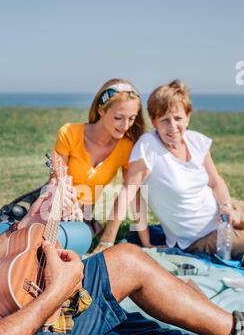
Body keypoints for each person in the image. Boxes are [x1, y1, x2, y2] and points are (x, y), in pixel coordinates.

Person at [0, 58, 244, 335]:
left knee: (127, 260)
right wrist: (54, 294)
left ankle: (236, 331)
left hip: (13, 315)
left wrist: (26, 228)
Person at [97, 80, 244, 258]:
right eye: (165, 120)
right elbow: (129, 193)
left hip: (225, 209)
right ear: (154, 121)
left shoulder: (196, 141)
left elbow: (215, 182)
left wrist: (227, 206)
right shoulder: (148, 146)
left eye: (178, 118)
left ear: (188, 117)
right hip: (200, 237)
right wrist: (107, 242)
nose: (173, 126)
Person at [53, 78, 145, 242]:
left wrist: (146, 241)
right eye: (118, 117)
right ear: (101, 110)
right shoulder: (69, 133)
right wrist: (67, 207)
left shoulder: (127, 148)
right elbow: (56, 181)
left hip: (85, 215)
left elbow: (132, 191)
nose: (125, 125)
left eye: (131, 118)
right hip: (57, 202)